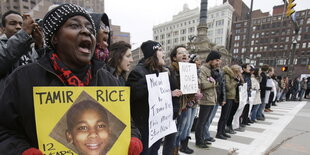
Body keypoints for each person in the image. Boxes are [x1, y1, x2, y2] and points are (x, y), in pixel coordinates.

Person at [0, 4, 119, 154]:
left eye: (90, 28)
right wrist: (22, 151)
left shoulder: (108, 81)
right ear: (55, 38)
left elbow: (127, 124)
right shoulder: (23, 79)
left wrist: (133, 138)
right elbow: (5, 131)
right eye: (74, 25)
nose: (86, 31)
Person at [127, 40, 182, 155]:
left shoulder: (163, 71)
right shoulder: (137, 72)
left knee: (155, 151)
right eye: (160, 50)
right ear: (152, 54)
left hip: (158, 125)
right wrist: (151, 80)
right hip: (144, 127)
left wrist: (170, 94)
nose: (163, 53)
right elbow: (133, 94)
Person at [106, 41, 143, 155]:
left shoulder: (122, 80)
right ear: (117, 57)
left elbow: (125, 112)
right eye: (128, 56)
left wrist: (134, 134)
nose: (131, 60)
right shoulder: (102, 76)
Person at [0, 10, 44, 84]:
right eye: (13, 24)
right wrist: (24, 33)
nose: (18, 27)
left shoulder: (28, 48)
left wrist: (39, 46)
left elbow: (42, 71)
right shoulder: (2, 45)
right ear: (3, 29)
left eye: (21, 24)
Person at [169, 45, 195, 154]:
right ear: (174, 57)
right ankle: (172, 151)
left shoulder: (190, 70)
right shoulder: (170, 71)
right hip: (174, 107)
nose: (184, 54)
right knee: (174, 132)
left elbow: (189, 92)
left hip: (185, 106)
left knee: (181, 131)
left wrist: (194, 91)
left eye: (186, 52)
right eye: (180, 53)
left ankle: (177, 150)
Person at [195, 51, 221, 148]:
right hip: (205, 99)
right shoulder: (203, 69)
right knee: (201, 121)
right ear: (211, 60)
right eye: (216, 60)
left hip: (211, 99)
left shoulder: (211, 69)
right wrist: (214, 83)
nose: (218, 62)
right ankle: (199, 141)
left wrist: (214, 81)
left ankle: (203, 138)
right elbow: (203, 84)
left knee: (205, 121)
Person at [216, 65, 239, 139]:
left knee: (226, 116)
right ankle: (219, 132)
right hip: (228, 97)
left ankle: (223, 131)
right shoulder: (227, 76)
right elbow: (228, 87)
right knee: (223, 116)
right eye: (237, 72)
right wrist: (235, 82)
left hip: (231, 97)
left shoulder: (231, 77)